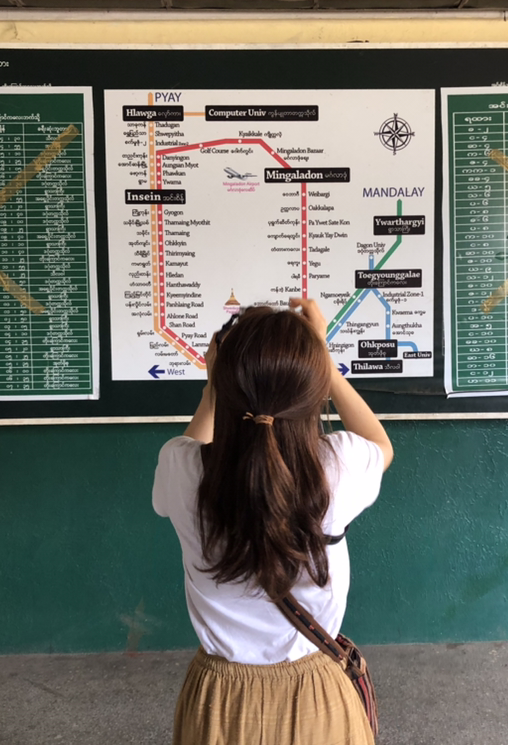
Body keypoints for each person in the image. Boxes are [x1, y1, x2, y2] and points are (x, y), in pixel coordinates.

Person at [152, 297, 393, 745]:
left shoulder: (181, 468)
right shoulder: (338, 465)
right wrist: (322, 356)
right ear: (313, 387)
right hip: (316, 697)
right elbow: (382, 446)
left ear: (222, 381)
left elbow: (193, 446)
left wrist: (212, 389)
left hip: (220, 702)